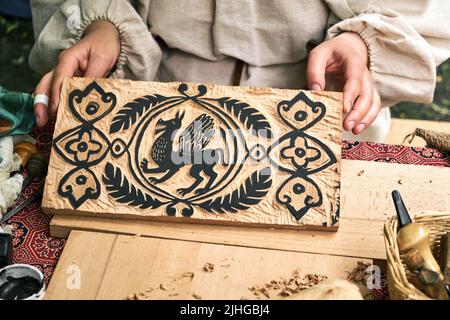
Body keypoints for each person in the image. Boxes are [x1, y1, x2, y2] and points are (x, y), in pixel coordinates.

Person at [29, 1, 450, 142]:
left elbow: (419, 8)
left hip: (322, 108)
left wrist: (362, 42)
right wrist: (105, 24)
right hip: (146, 99)